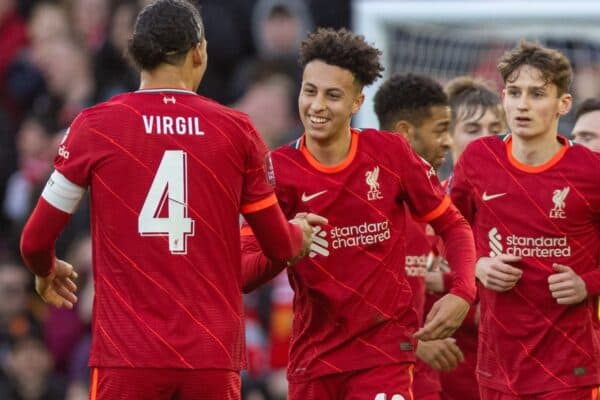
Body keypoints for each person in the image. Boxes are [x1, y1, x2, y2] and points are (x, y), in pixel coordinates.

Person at [18, 1, 324, 399]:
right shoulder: (236, 130)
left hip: (127, 357)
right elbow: (277, 246)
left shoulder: (96, 125)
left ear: (137, 55)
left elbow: (34, 241)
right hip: (210, 358)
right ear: (199, 52)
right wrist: (298, 236)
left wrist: (45, 269)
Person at [241, 27, 476, 400]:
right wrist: (287, 243)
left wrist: (462, 291)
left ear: (356, 102)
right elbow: (241, 271)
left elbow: (453, 224)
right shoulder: (277, 170)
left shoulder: (390, 154)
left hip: (384, 358)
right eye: (309, 91)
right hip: (313, 363)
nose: (317, 105)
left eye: (333, 95)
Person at [451, 40, 600, 399]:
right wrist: (477, 265)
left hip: (569, 368)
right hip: (497, 365)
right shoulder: (477, 160)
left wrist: (590, 283)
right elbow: (450, 230)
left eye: (537, 94)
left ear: (563, 103)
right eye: (514, 92)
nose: (522, 104)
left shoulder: (591, 172)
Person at [373, 72, 464, 400]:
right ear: (405, 134)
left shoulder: (441, 205)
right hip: (372, 375)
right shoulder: (364, 202)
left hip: (425, 381)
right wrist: (413, 342)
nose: (448, 142)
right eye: (440, 130)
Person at [436, 76, 507, 400]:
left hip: (516, 375)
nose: (486, 139)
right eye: (473, 128)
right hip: (446, 379)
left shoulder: (531, 203)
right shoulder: (427, 205)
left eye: (495, 128)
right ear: (447, 137)